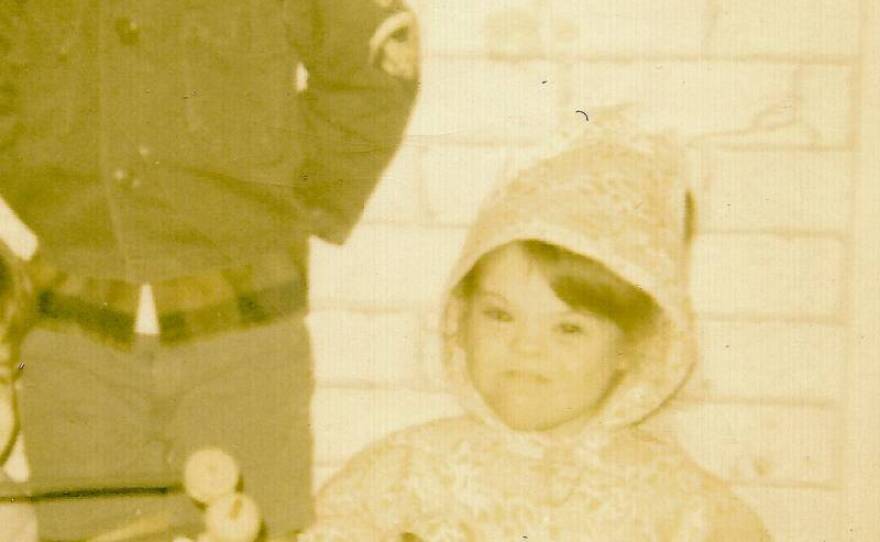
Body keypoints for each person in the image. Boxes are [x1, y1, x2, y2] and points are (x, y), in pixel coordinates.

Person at [0, 1, 419, 540]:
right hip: (72, 328)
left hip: (244, 328)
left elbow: (377, 57)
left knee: (247, 524)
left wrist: (297, 197)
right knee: (86, 527)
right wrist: (35, 182)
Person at [299, 121, 771, 541]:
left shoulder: (683, 507)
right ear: (459, 321)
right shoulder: (401, 476)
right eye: (500, 316)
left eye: (568, 329)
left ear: (630, 345)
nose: (526, 347)